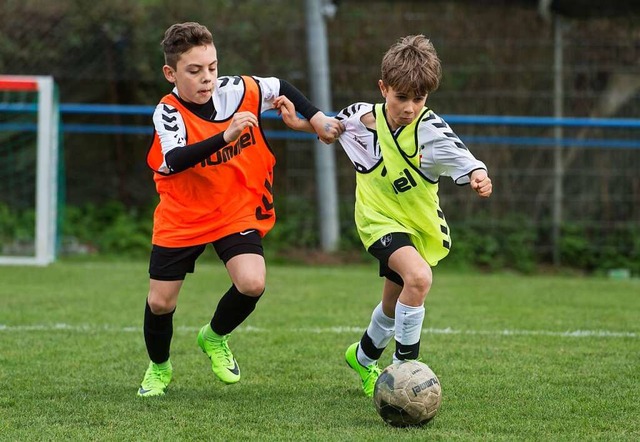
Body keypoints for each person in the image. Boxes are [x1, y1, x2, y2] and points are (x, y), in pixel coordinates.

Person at [277, 34, 492, 397]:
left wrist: (478, 176)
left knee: (394, 304)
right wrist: (303, 124)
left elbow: (464, 158)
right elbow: (331, 130)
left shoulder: (431, 131)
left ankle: (362, 357)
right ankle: (404, 373)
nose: (410, 107)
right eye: (401, 97)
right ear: (383, 88)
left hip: (417, 225)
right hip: (376, 219)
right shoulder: (359, 117)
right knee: (419, 279)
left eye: (419, 99)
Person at [138, 21, 343, 397]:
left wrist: (315, 119)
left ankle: (214, 337)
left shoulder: (236, 90)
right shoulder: (167, 113)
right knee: (160, 302)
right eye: (195, 70)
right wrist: (225, 136)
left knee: (252, 282)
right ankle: (159, 368)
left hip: (234, 209)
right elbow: (176, 157)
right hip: (183, 214)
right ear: (171, 73)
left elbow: (279, 87)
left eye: (212, 67)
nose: (207, 78)